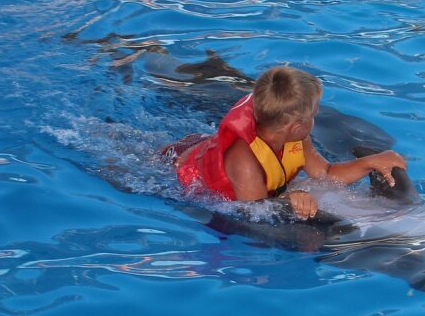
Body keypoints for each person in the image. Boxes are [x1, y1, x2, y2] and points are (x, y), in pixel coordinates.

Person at [165, 66, 406, 218]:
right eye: (313, 116)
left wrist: (372, 162)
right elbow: (252, 210)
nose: (315, 120)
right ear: (295, 126)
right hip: (179, 166)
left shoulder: (297, 138)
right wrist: (286, 200)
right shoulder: (244, 160)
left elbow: (326, 173)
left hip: (208, 147)